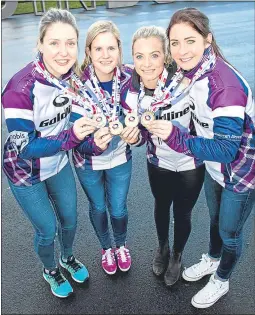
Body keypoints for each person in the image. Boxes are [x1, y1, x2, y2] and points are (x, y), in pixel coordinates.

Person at [146, 7, 255, 308]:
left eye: (190, 41)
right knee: (216, 220)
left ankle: (221, 279)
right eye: (175, 42)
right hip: (214, 168)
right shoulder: (190, 72)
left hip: (241, 173)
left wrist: (174, 136)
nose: (181, 51)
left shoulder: (225, 87)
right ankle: (213, 259)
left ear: (207, 40)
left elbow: (226, 150)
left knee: (230, 232)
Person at [1, 8, 102, 298]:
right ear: (40, 44)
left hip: (57, 162)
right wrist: (73, 136)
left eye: (70, 43)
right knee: (47, 230)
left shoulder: (74, 78)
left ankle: (67, 258)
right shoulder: (20, 88)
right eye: (55, 43)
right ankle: (50, 270)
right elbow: (25, 147)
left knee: (70, 220)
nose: (63, 51)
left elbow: (78, 123)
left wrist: (95, 141)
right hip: (24, 169)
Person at [120, 25, 205, 287]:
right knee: (161, 206)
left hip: (191, 161)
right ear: (132, 58)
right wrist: (135, 138)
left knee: (183, 212)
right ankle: (162, 247)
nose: (147, 64)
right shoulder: (129, 93)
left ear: (165, 56)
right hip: (158, 162)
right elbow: (140, 133)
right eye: (139, 56)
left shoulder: (186, 83)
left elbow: (204, 123)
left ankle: (177, 255)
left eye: (154, 55)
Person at [72, 20, 134, 275]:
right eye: (98, 49)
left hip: (120, 158)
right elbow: (73, 136)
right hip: (87, 162)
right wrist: (94, 145)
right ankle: (106, 247)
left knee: (118, 207)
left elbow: (142, 117)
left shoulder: (131, 79)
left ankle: (120, 245)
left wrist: (136, 134)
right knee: (98, 207)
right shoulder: (76, 84)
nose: (105, 55)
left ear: (119, 49)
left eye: (111, 48)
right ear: (88, 52)